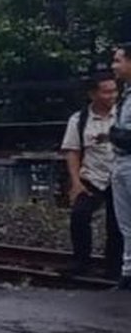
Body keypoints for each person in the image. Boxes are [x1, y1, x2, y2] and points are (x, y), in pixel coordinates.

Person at [62, 72, 122, 278]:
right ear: (93, 94)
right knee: (79, 216)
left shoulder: (123, 115)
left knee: (116, 224)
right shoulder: (79, 120)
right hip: (92, 176)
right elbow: (72, 151)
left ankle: (113, 266)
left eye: (114, 91)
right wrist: (76, 182)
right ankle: (81, 261)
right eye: (106, 92)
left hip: (118, 176)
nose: (111, 96)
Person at [110, 46, 131, 290]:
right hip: (120, 160)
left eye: (118, 60)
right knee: (125, 223)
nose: (114, 66)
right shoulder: (125, 93)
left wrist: (119, 136)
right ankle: (127, 272)